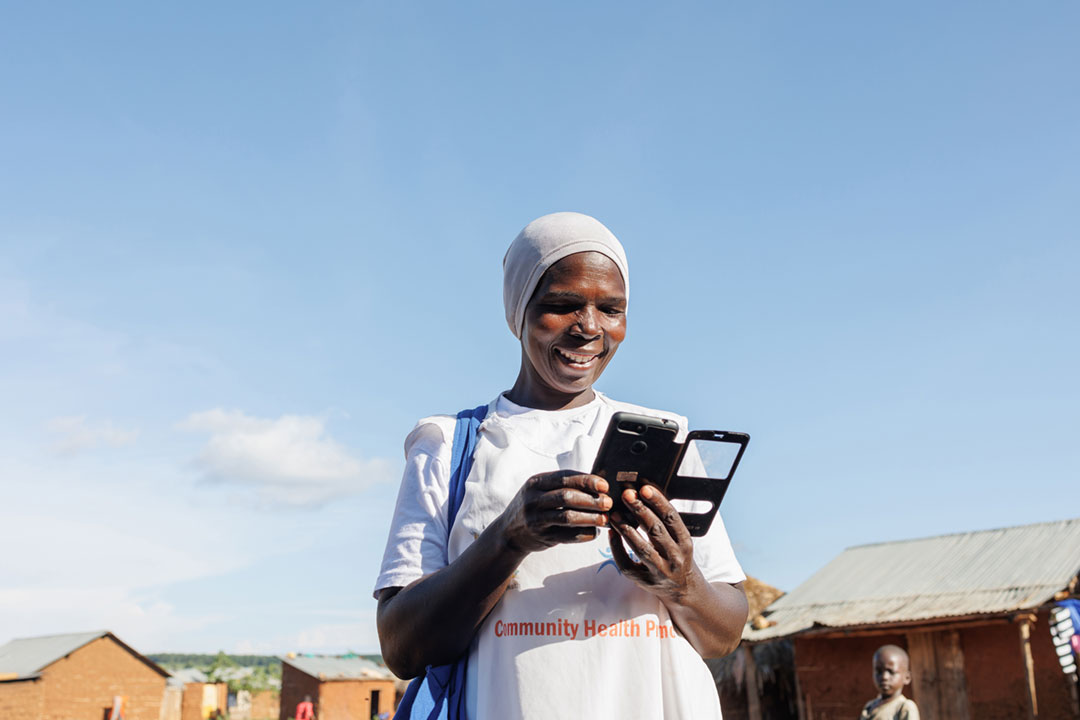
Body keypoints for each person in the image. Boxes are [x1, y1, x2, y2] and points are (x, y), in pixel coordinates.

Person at [374, 212, 749, 719]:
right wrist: (509, 537)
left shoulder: (669, 438)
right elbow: (402, 648)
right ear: (518, 310)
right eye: (562, 305)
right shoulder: (448, 445)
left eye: (611, 309)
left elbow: (723, 635)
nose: (590, 328)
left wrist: (681, 582)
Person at [859, 645, 920, 720]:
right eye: (879, 671)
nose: (884, 677)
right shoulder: (869, 707)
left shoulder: (904, 707)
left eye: (891, 672)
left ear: (907, 677)